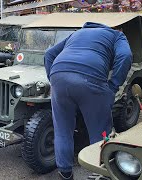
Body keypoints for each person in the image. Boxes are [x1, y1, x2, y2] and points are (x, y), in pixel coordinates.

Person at [44, 22, 132, 180]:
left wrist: (54, 79)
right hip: (92, 78)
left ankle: (64, 173)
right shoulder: (117, 35)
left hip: (59, 75)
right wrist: (113, 86)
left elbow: (49, 54)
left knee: (63, 131)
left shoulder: (77, 33)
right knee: (101, 132)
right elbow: (125, 56)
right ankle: (100, 172)